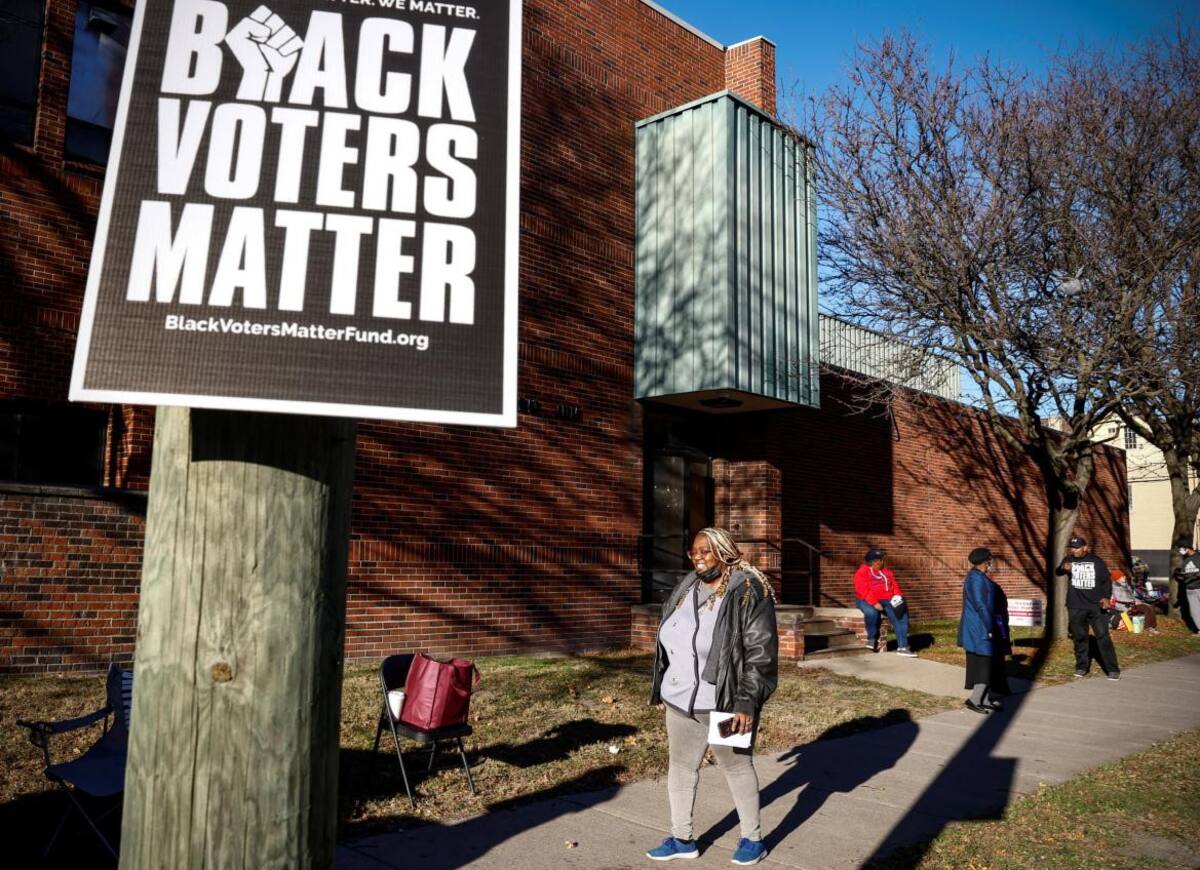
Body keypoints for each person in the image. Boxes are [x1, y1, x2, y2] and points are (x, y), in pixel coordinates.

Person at [647, 527, 778, 865]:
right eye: (694, 551)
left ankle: (753, 838)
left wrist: (746, 700)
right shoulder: (687, 586)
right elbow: (670, 636)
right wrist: (663, 682)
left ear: (725, 551)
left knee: (736, 767)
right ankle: (682, 838)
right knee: (680, 768)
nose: (698, 557)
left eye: (706, 550)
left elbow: (760, 653)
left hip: (725, 700)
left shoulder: (747, 590)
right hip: (679, 700)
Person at [1056, 535, 1120, 680]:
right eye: (1072, 548)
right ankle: (1081, 667)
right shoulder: (1069, 559)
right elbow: (1058, 572)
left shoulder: (1097, 561)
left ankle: (1112, 669)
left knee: (1103, 637)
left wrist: (1106, 597)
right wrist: (1062, 568)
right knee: (1080, 638)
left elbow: (1106, 581)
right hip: (1075, 605)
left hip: (1096, 606)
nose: (1074, 551)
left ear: (1085, 547)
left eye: (1077, 548)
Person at [958, 548, 1010, 713]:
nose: (992, 564)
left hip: (985, 626)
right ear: (986, 561)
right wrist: (990, 627)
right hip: (980, 628)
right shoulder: (975, 579)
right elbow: (981, 605)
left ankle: (985, 699)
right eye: (990, 561)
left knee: (991, 662)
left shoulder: (980, 578)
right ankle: (974, 700)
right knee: (984, 664)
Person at [853, 548, 917, 657]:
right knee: (872, 613)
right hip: (866, 599)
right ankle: (871, 639)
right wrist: (874, 603)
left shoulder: (886, 571)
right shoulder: (862, 572)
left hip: (888, 599)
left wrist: (898, 597)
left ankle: (903, 647)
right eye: (881, 560)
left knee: (900, 616)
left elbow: (894, 586)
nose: (883, 562)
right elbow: (862, 590)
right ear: (874, 562)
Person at [1109, 569, 1159, 634]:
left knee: (1150, 606)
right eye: (1122, 576)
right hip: (1124, 607)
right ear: (1117, 578)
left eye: (1124, 576)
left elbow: (1132, 596)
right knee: (1147, 608)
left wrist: (1139, 601)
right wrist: (1133, 602)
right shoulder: (1115, 587)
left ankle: (1152, 627)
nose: (1124, 577)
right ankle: (1148, 628)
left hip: (1131, 604)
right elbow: (1120, 599)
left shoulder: (1125, 585)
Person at [1174, 541, 1200, 636]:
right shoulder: (1185, 561)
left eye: (1181, 548)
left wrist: (1197, 575)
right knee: (1195, 613)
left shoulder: (1198, 557)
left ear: (1187, 548)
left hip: (1199, 587)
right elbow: (1184, 576)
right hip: (1189, 589)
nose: (1180, 551)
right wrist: (1180, 576)